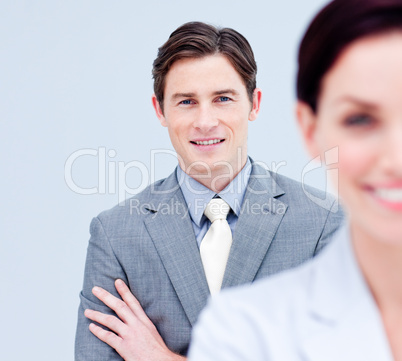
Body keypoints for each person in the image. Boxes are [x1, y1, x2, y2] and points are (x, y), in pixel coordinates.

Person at [75, 22, 343, 361]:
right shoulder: (115, 235)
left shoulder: (321, 223)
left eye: (223, 99)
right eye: (186, 101)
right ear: (160, 111)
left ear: (254, 104)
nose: (205, 121)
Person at [188, 1, 402, 360]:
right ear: (310, 129)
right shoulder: (243, 332)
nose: (396, 159)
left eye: (223, 98)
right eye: (360, 120)